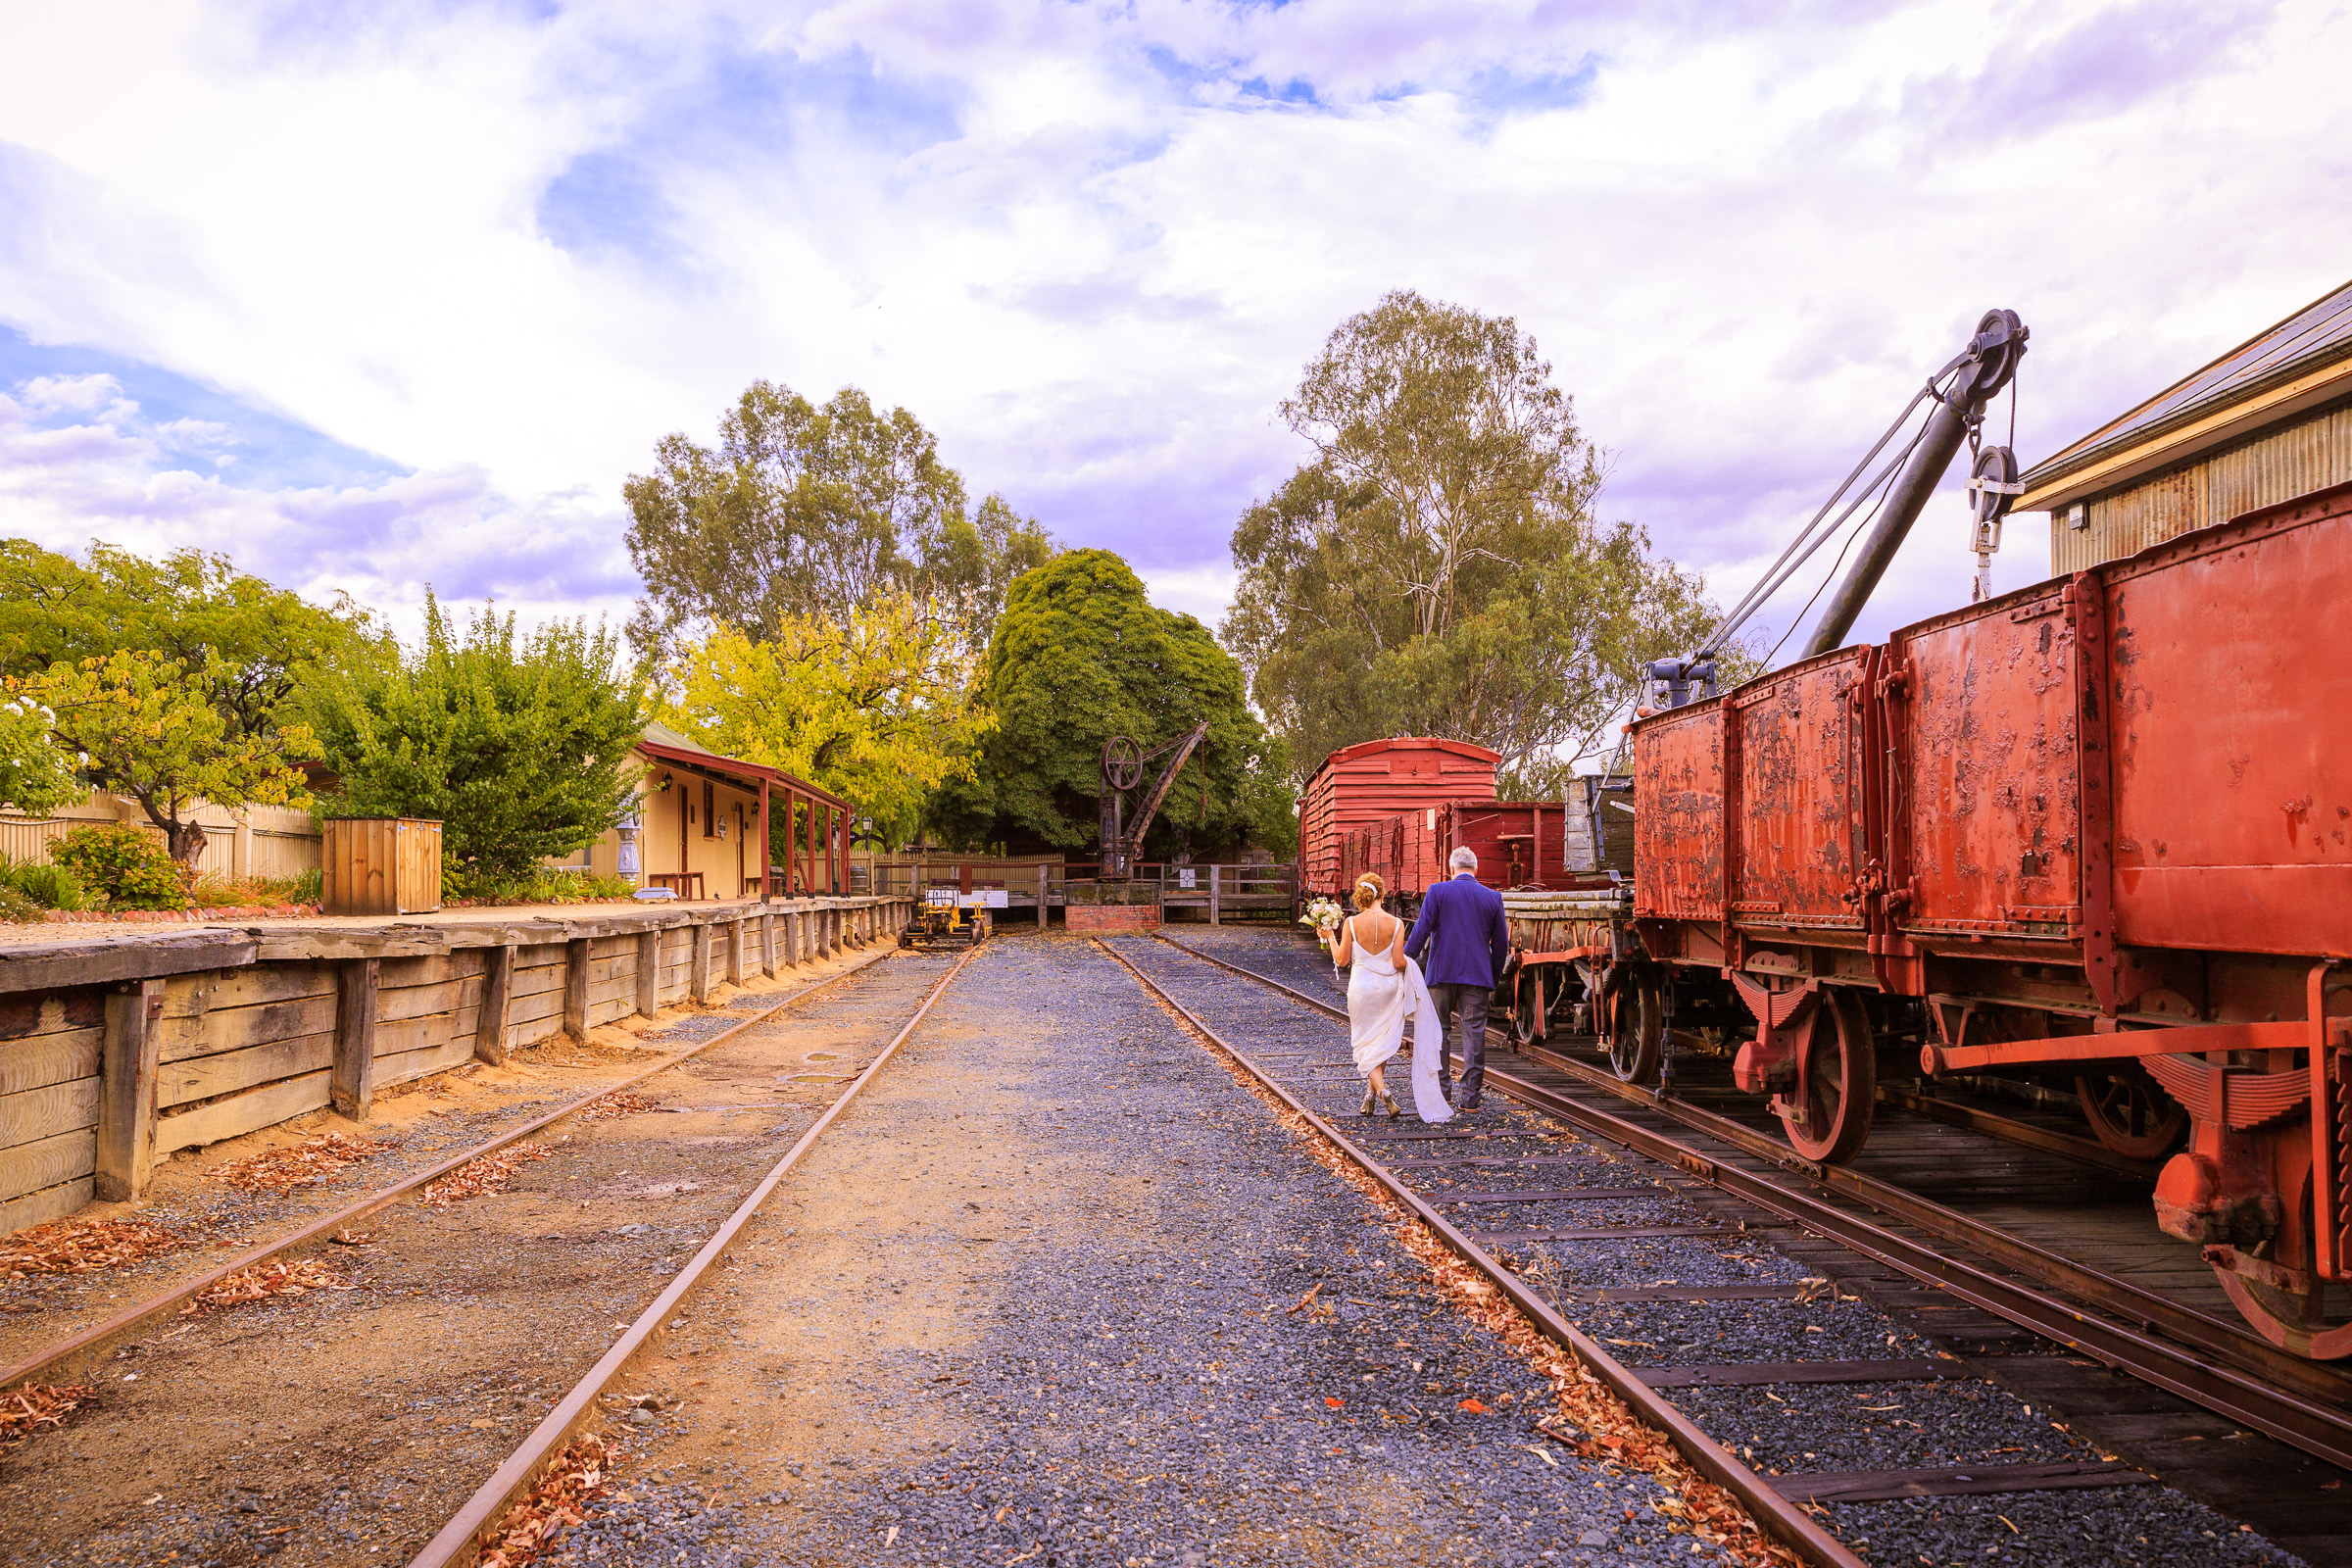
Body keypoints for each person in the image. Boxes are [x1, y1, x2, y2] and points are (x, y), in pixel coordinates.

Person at [1329, 873, 1453, 1123]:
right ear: (1382, 895)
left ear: (1361, 897)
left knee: (1365, 1043)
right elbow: (1399, 962)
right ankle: (1370, 1095)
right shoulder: (1397, 923)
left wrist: (1329, 936)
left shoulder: (1351, 923)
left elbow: (1341, 960)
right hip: (1388, 987)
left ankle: (1384, 1091)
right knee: (1381, 1039)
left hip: (1362, 986)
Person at [1403, 847, 1511, 1110]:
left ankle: (1443, 1094)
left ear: (1451, 869)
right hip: (1477, 975)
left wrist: (1405, 961)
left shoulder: (1438, 891)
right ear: (1477, 869)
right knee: (1474, 1034)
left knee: (1439, 1032)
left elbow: (1421, 930)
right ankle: (1471, 1099)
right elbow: (1501, 946)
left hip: (1441, 974)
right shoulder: (1493, 897)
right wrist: (1492, 976)